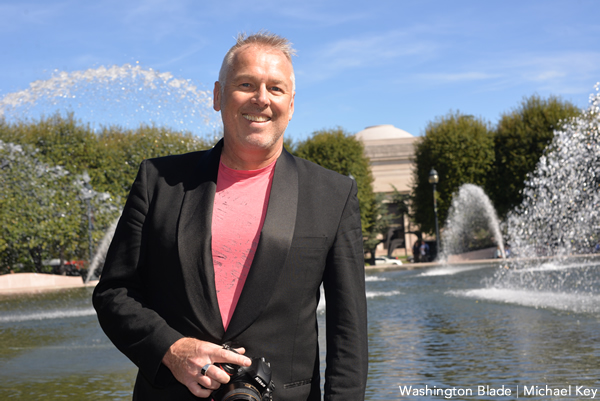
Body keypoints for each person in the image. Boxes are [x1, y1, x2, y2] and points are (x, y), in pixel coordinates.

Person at [92, 31, 368, 401]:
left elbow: (348, 330)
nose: (261, 99)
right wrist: (170, 349)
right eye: (246, 84)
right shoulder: (158, 181)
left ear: (292, 102)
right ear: (218, 96)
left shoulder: (334, 194)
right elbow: (114, 293)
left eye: (276, 88)